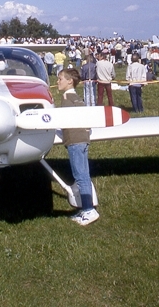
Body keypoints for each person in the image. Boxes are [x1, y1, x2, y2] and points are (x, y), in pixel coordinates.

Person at [57, 68, 99, 226]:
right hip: (81, 139)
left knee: (81, 176)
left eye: (60, 79)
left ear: (69, 81)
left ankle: (89, 210)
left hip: (75, 141)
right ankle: (85, 209)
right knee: (83, 175)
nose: (58, 82)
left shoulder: (69, 97)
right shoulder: (75, 97)